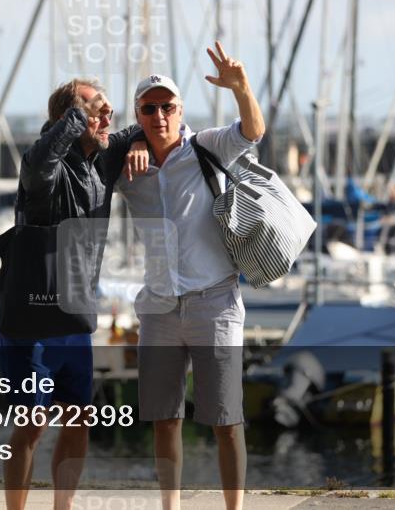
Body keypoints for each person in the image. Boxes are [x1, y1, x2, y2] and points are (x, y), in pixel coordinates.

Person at [117, 42, 265, 510]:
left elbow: (252, 131)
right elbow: (95, 143)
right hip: (159, 307)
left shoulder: (206, 145)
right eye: (149, 109)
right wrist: (132, 141)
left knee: (226, 419)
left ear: (181, 110)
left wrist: (241, 89)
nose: (160, 115)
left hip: (214, 301)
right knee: (165, 419)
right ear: (139, 114)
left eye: (168, 106)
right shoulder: (126, 163)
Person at [0, 77, 142, 510]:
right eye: (94, 109)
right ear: (67, 118)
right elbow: (42, 162)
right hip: (31, 319)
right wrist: (80, 111)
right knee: (33, 424)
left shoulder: (103, 159)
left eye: (105, 109)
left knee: (80, 418)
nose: (105, 116)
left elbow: (145, 127)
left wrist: (135, 144)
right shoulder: (43, 166)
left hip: (75, 317)